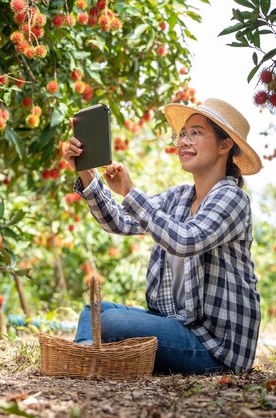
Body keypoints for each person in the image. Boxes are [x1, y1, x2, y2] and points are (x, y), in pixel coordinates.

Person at [63, 98, 262, 374]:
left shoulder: (232, 198)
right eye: (182, 134)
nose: (183, 141)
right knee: (93, 311)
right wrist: (86, 170)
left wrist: (131, 191)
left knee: (110, 323)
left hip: (214, 348)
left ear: (224, 145)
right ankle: (84, 357)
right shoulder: (179, 196)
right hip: (178, 324)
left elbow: (186, 240)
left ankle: (91, 358)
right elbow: (119, 222)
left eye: (195, 133)